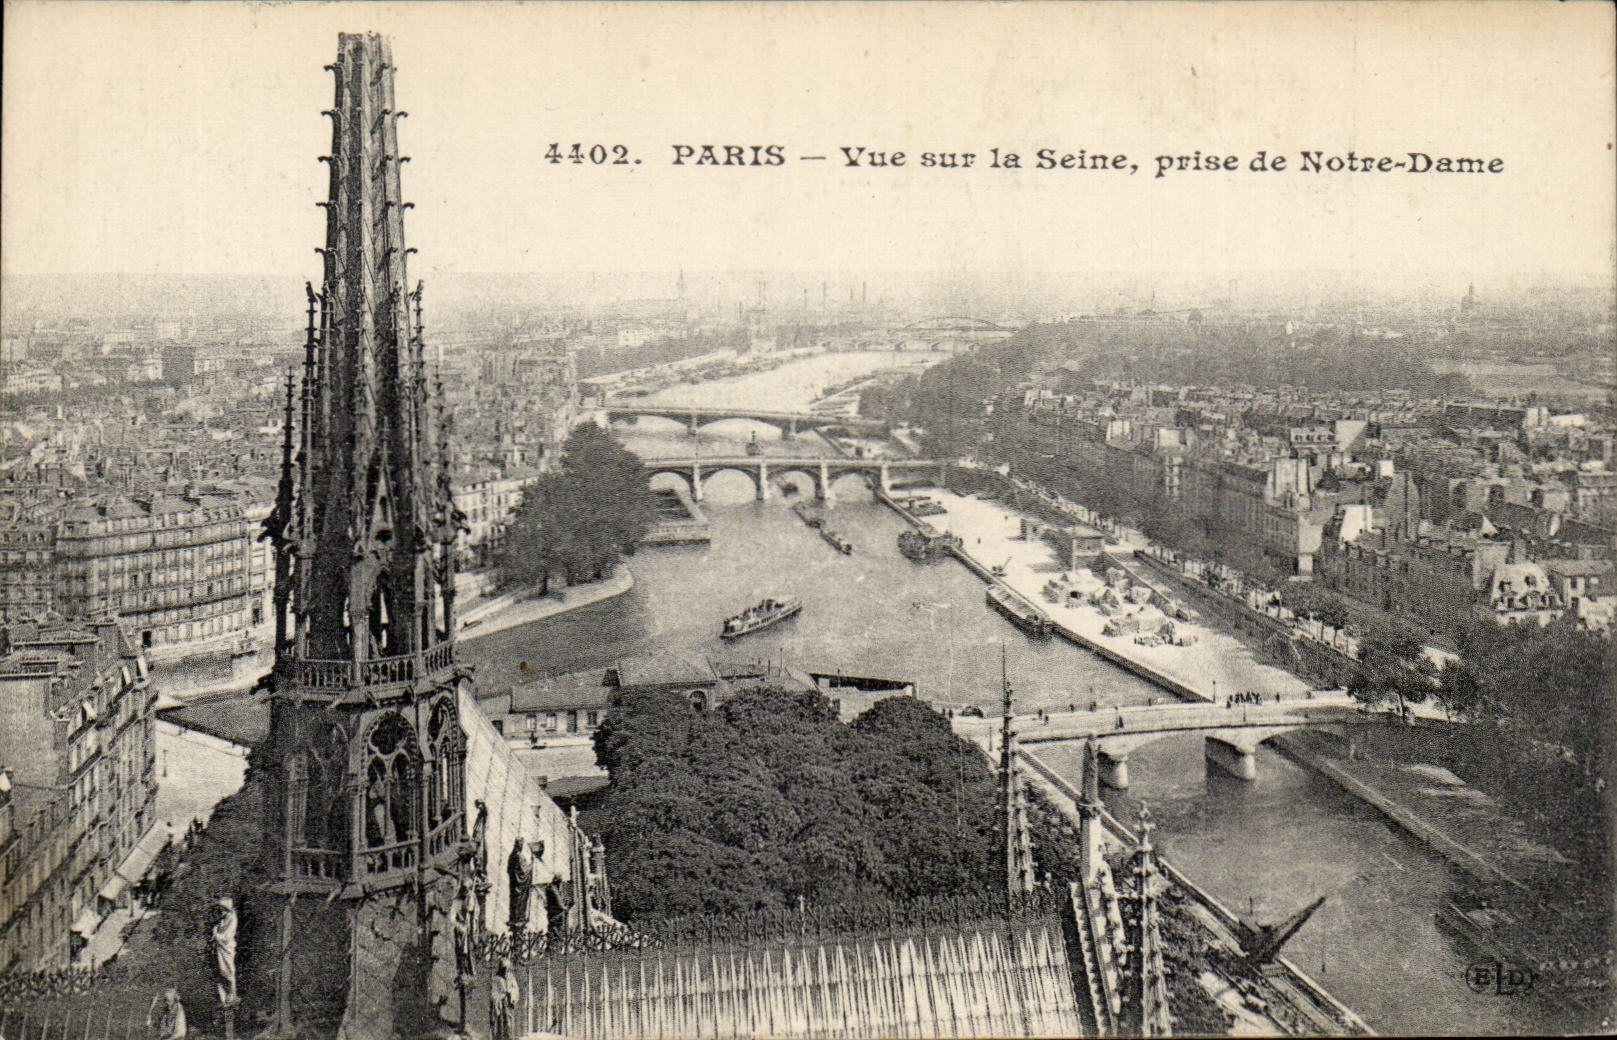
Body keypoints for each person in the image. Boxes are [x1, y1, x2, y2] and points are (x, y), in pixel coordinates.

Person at [211, 897, 237, 1009]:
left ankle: (231, 995)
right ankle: (222, 996)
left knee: (228, 971)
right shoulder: (223, 919)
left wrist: (216, 935)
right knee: (220, 971)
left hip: (226, 948)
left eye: (222, 908)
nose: (221, 911)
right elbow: (218, 929)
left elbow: (227, 936)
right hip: (220, 949)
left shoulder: (232, 918)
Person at [489, 958, 517, 1040]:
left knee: (509, 1023)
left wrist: (511, 993)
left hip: (508, 1003)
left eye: (507, 968)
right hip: (500, 1005)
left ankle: (509, 1037)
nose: (505, 970)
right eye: (504, 968)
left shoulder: (511, 978)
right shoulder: (496, 979)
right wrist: (500, 997)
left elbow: (515, 989)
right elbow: (493, 993)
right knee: (500, 1023)